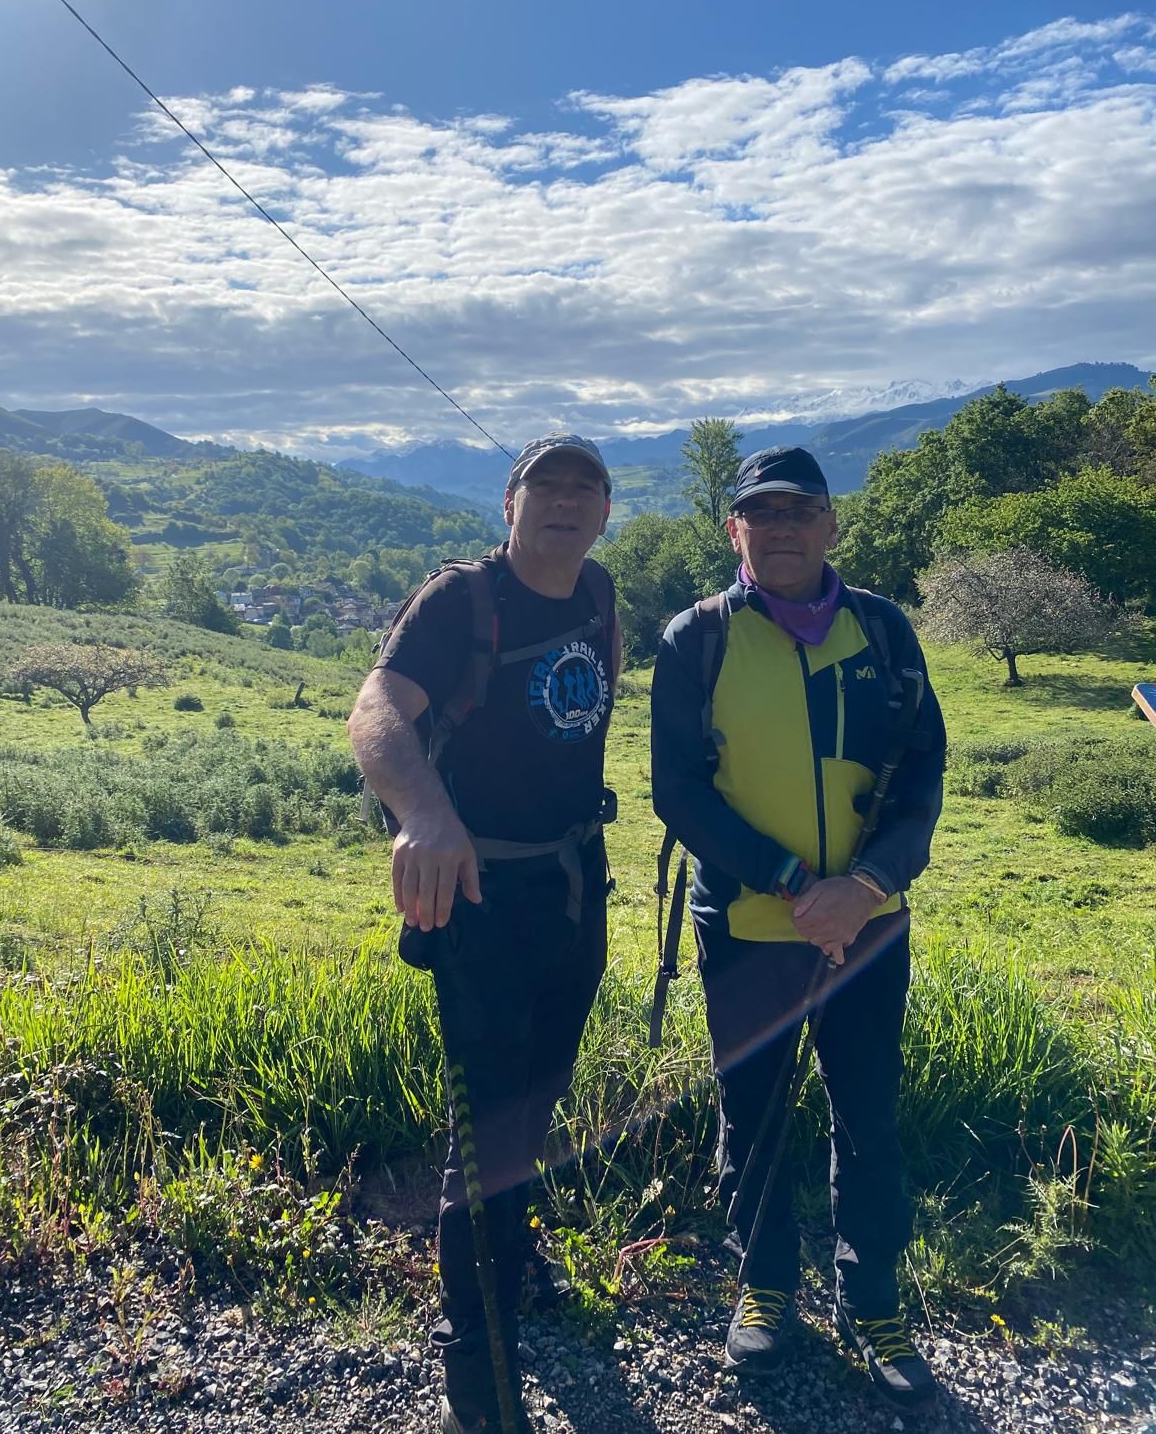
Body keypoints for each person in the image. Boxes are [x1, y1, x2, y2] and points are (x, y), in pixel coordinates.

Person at [650, 446, 946, 1413]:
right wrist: (790, 884)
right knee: (755, 1116)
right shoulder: (695, 640)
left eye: (799, 511)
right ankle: (766, 1284)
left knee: (868, 1116)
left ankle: (875, 1301)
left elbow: (924, 779)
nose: (779, 528)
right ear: (733, 532)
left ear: (831, 525)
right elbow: (678, 793)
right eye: (759, 515)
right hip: (746, 925)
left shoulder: (887, 631)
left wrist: (860, 886)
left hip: (869, 923)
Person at [347, 433, 620, 1434]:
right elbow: (377, 710)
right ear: (508, 504)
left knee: (541, 1091)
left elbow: (593, 709)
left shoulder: (599, 595)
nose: (565, 499)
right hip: (479, 894)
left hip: (575, 884)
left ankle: (514, 1258)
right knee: (486, 1120)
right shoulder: (461, 599)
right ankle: (475, 1352)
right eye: (544, 483)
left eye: (585, 487)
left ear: (604, 512)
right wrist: (424, 813)